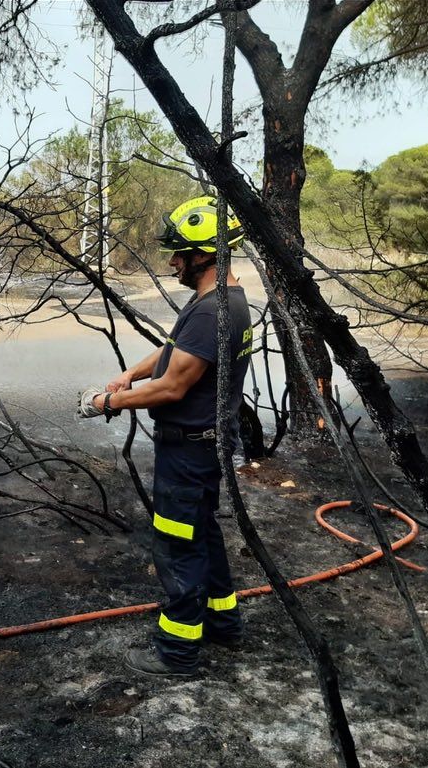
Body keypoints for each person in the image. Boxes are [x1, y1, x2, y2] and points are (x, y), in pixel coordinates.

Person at [78, 196, 253, 676]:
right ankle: (224, 625)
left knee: (178, 545)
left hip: (188, 450)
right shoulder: (224, 302)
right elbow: (174, 353)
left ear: (205, 254)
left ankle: (177, 652)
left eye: (179, 253)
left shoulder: (212, 310)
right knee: (204, 534)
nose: (172, 262)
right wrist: (130, 374)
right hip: (204, 445)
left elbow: (174, 385)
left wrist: (105, 403)